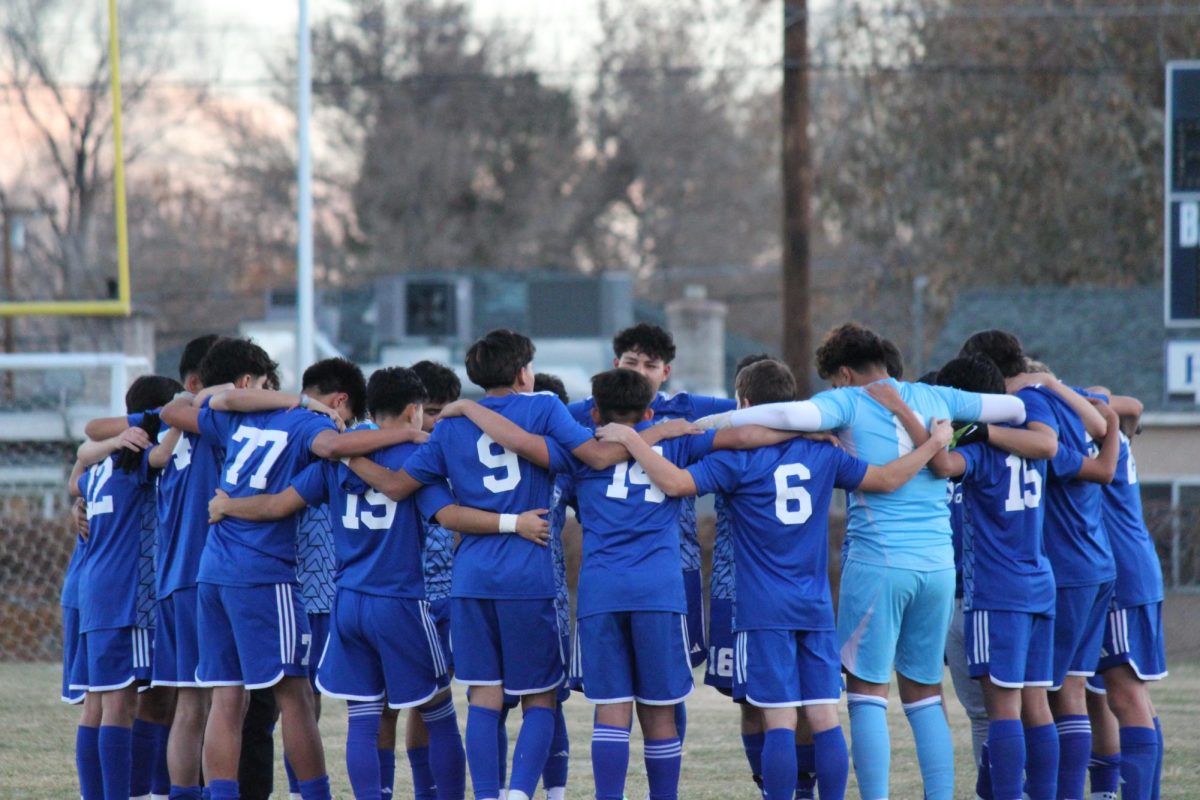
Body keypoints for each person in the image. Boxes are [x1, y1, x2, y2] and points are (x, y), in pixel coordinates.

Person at [597, 358, 952, 800]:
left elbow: (673, 483)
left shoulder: (738, 461)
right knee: (825, 717)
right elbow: (886, 479)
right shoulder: (825, 453)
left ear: (745, 404)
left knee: (778, 720)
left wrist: (633, 439)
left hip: (762, 609)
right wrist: (934, 444)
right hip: (816, 606)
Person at [709, 323, 1027, 800]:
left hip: (880, 564)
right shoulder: (936, 396)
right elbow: (1016, 407)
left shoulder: (846, 402)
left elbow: (777, 414)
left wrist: (719, 424)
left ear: (843, 373)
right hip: (940, 566)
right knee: (925, 695)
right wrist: (965, 427)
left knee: (865, 696)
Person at [343, 330, 631, 800]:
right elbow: (596, 456)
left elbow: (397, 487)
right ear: (522, 372)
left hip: (470, 578)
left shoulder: (451, 427)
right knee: (539, 698)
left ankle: (488, 795)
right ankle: (519, 792)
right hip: (528, 573)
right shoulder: (543, 407)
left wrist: (350, 455)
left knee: (483, 697)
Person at [961, 331, 1120, 800]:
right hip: (1093, 561)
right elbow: (1106, 418)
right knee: (1068, 691)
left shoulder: (1024, 410)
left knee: (1039, 697)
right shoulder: (1053, 398)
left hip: (1060, 565)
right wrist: (1054, 383)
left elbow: (1065, 457)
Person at [568, 323, 738, 739]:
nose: (641, 371)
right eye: (632, 362)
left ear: (666, 372)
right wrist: (653, 433)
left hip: (670, 566)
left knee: (665, 688)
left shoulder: (686, 408)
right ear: (615, 363)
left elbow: (747, 411)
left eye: (651, 364)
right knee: (639, 692)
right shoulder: (587, 413)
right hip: (650, 571)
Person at [924, 356, 1061, 800]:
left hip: (995, 592)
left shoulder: (980, 450)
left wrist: (935, 436)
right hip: (1039, 583)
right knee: (1037, 707)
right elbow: (1049, 445)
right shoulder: (1030, 443)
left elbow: (942, 466)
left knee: (1001, 712)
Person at [68, 375, 183, 800]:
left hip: (93, 591)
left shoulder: (98, 468)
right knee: (121, 702)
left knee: (98, 704)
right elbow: (165, 454)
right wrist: (182, 416)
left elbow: (79, 464)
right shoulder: (135, 463)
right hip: (127, 593)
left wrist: (112, 441)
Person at [1081, 389, 1165, 800]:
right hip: (1138, 564)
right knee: (1134, 696)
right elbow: (1133, 405)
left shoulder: (1080, 428)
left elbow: (1130, 407)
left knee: (1124, 693)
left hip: (1120, 571)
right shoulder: (1109, 428)